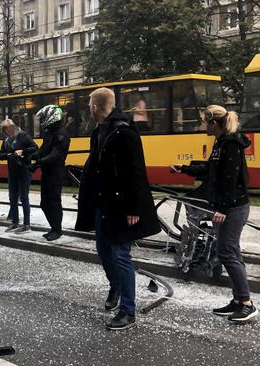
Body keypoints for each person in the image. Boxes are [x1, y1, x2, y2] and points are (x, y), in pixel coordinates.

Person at [75, 88, 161, 330]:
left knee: (121, 254)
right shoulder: (99, 131)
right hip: (103, 203)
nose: (89, 109)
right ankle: (117, 286)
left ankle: (128, 310)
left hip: (121, 206)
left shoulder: (124, 132)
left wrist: (133, 208)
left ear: (96, 107)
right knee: (104, 250)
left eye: (90, 105)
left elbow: (135, 172)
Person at [172, 105, 256, 324]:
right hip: (228, 205)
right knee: (230, 251)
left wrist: (223, 209)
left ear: (214, 123)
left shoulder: (230, 145)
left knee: (226, 252)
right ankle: (238, 299)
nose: (202, 126)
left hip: (234, 207)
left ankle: (246, 303)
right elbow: (211, 170)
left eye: (204, 122)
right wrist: (184, 168)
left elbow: (230, 179)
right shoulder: (221, 143)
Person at [32, 105, 70, 241]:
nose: (42, 120)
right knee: (44, 203)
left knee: (54, 201)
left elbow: (56, 155)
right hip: (47, 171)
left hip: (56, 172)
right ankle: (53, 227)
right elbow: (43, 149)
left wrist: (39, 161)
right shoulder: (49, 132)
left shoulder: (61, 134)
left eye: (44, 118)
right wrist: (33, 156)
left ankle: (57, 229)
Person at [0, 118, 38, 233]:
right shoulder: (6, 140)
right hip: (12, 172)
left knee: (24, 198)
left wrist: (22, 152)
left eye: (6, 130)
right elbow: (1, 155)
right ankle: (15, 223)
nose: (5, 133)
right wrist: (9, 154)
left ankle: (26, 225)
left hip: (23, 171)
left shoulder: (23, 136)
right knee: (12, 198)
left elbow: (35, 148)